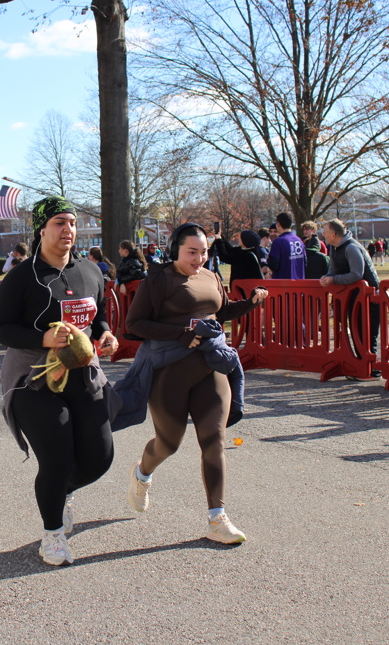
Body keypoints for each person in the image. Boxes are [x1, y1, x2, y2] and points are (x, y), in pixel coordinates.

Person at [0, 196, 120, 566]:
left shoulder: (90, 271)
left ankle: (61, 493)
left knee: (99, 458)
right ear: (41, 229)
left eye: (72, 223)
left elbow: (99, 315)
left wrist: (105, 334)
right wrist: (43, 338)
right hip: (34, 379)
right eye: (60, 223)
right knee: (57, 459)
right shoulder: (22, 277)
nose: (68, 230)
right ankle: (52, 536)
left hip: (83, 374)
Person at [121, 224, 267, 544]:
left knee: (214, 441)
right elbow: (134, 324)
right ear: (175, 249)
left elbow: (221, 311)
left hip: (210, 368)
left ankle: (217, 518)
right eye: (192, 252)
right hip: (168, 373)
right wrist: (180, 334)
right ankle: (142, 474)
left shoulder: (211, 276)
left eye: (203, 252)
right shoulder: (158, 280)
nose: (199, 258)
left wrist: (250, 302)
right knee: (168, 444)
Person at [320, 219, 381, 378]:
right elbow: (333, 269)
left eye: (325, 232)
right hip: (355, 297)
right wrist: (328, 277)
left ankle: (371, 369)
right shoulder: (334, 248)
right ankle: (361, 367)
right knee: (356, 331)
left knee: (367, 332)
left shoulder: (351, 248)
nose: (323, 234)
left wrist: (334, 279)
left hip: (370, 297)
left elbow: (356, 274)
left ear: (334, 234)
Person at [266, 212, 306, 279]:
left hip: (283, 282)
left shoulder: (278, 242)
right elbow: (305, 262)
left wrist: (269, 259)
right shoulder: (299, 240)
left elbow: (273, 265)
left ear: (278, 224)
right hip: (299, 281)